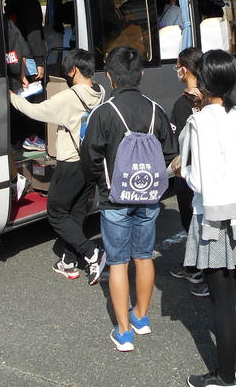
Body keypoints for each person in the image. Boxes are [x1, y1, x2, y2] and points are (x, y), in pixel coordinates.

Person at [80, 46, 177, 352]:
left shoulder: (103, 113)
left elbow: (89, 159)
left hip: (114, 200)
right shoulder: (156, 110)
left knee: (118, 263)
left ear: (109, 76)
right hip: (148, 197)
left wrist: (102, 183)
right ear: (142, 74)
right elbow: (170, 153)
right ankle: (141, 317)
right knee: (144, 256)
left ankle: (123, 332)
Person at [176, 49, 236, 387]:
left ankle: (225, 376)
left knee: (222, 301)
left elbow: (196, 178)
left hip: (212, 218)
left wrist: (186, 173)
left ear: (203, 81)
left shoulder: (199, 122)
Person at [9, 49, 106, 285]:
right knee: (76, 212)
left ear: (74, 70)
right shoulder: (100, 91)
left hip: (70, 162)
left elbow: (34, 111)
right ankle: (69, 261)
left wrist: (10, 95)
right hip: (90, 162)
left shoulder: (70, 97)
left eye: (67, 70)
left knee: (56, 213)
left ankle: (91, 252)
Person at [167, 47, 208, 295]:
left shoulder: (183, 103)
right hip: (208, 171)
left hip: (188, 172)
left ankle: (200, 271)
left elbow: (177, 140)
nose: (176, 70)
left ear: (185, 69)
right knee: (201, 219)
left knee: (191, 220)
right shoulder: (210, 96)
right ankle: (194, 264)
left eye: (177, 66)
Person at [5, 0, 48, 151]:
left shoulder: (11, 3)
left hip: (12, 56)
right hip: (28, 57)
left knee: (16, 97)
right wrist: (39, 62)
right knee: (33, 99)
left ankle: (16, 138)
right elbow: (33, 35)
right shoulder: (31, 3)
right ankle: (32, 137)